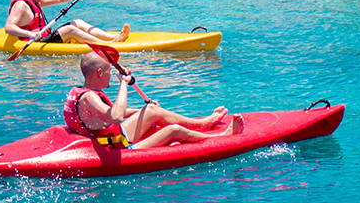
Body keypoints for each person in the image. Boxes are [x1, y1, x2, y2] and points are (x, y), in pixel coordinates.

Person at [64, 51, 238, 149]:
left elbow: (107, 114)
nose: (111, 75)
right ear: (100, 73)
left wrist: (142, 110)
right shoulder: (89, 98)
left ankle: (203, 124)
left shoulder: (84, 91)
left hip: (114, 135)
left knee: (152, 110)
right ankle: (221, 138)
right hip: (118, 146)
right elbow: (115, 117)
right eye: (109, 71)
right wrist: (123, 84)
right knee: (174, 130)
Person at [4, 0, 130, 45]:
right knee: (69, 29)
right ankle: (105, 44)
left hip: (46, 37)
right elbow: (9, 27)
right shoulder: (21, 5)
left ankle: (113, 37)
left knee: (78, 22)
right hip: (36, 41)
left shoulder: (37, 1)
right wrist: (30, 34)